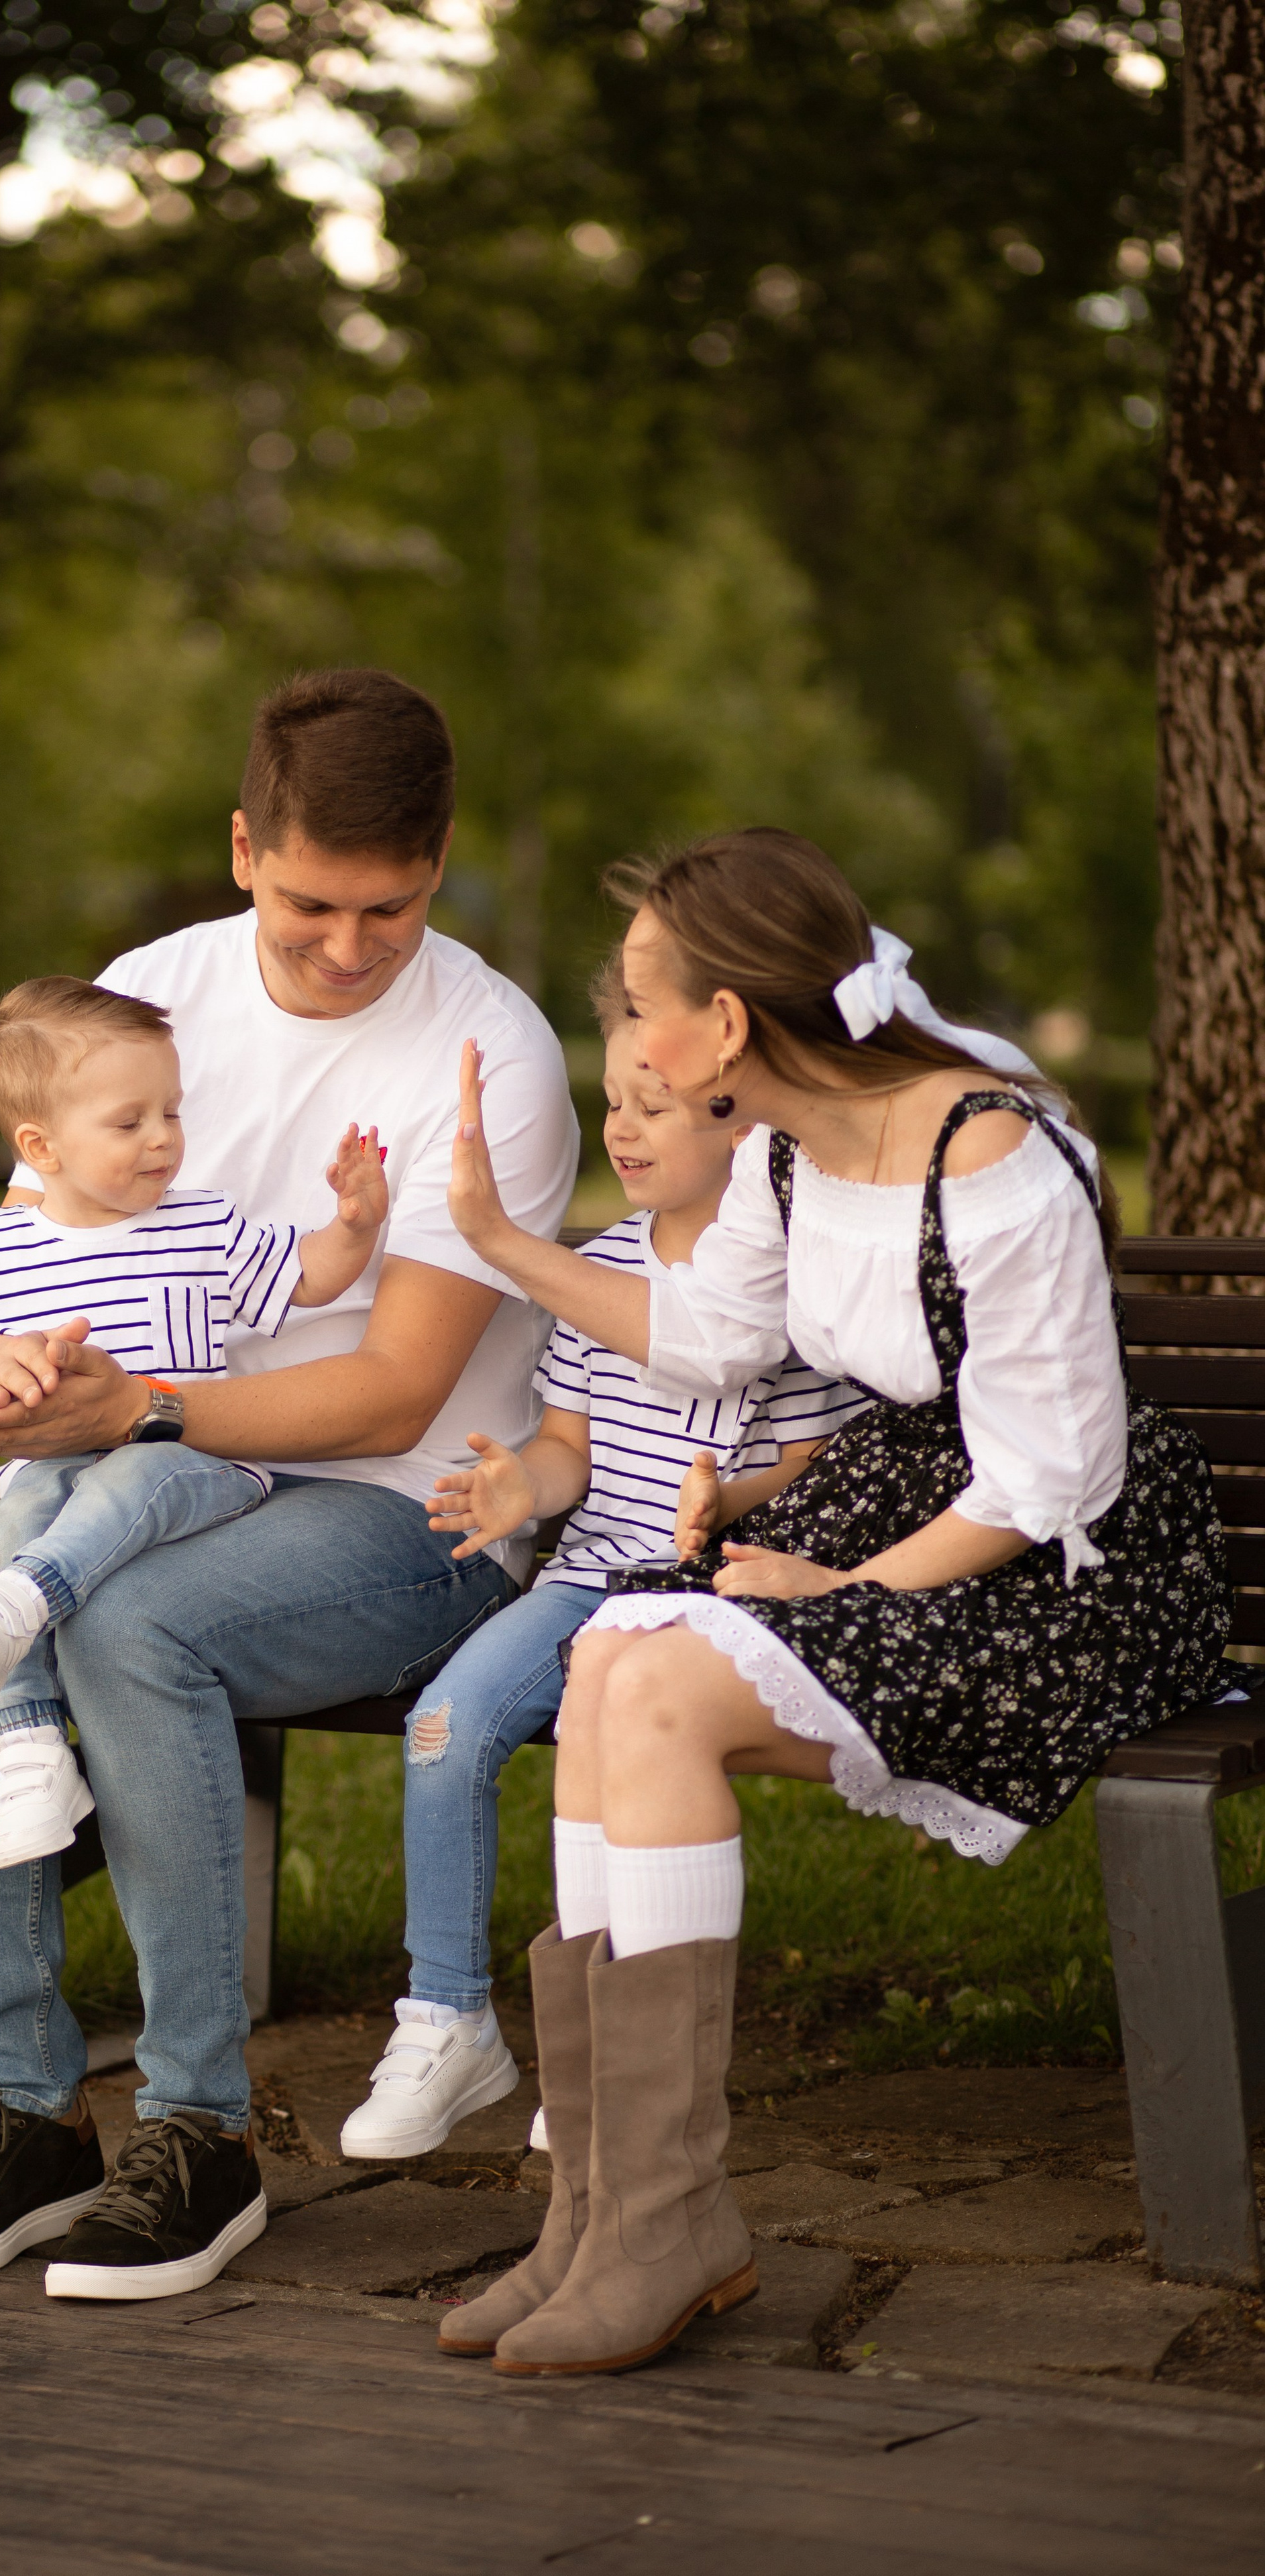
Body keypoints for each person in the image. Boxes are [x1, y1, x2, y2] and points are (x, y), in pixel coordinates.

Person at [434, 826, 1229, 2379]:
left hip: (1063, 1569)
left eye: (643, 1004)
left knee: (658, 1683)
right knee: (607, 1658)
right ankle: (597, 2209)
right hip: (904, 1507)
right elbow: (707, 1338)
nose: (629, 1036)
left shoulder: (988, 1155)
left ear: (723, 1024)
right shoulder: (787, 1149)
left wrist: (841, 1583)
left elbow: (1048, 1478)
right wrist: (498, 1245)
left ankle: (666, 2220)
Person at [0, 668, 580, 2297]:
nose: (348, 947)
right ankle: (28, 2115)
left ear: (439, 861)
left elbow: (395, 1390)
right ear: (243, 847)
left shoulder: (490, 1052)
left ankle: (200, 2133)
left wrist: (145, 1412)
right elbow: (29, 1254)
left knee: (133, 1633)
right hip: (149, 1468)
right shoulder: (147, 993)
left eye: (388, 908)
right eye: (310, 902)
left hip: (413, 1510)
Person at [337, 958, 865, 2159]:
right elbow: (570, 1446)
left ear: (741, 1120)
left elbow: (818, 1466)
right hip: (588, 1581)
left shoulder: (791, 1285)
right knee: (443, 1726)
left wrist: (730, 1500)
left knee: (621, 1750)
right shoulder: (597, 1273)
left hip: (713, 1596)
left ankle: (609, 2055)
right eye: (613, 1102)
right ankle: (447, 2017)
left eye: (653, 1106)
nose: (621, 1129)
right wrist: (523, 1485)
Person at [0, 977, 388, 1870]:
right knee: (9, 1525)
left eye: (172, 1112)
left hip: (190, 1460)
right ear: (39, 1147)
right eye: (130, 1123)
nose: (163, 1137)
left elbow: (309, 1277)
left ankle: (27, 1600)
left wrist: (354, 1224)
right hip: (54, 1472)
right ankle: (30, 1750)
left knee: (94, 1501)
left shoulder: (200, 1227)